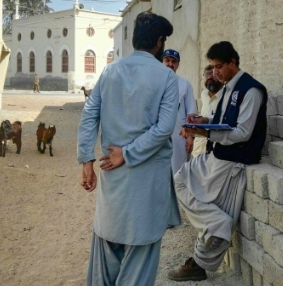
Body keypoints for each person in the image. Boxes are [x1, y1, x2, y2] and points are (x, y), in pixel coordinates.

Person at [77, 11, 181, 286]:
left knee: (107, 248)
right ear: (159, 43)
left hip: (113, 178)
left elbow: (89, 114)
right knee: (141, 254)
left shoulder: (110, 71)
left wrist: (87, 160)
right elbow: (163, 129)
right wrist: (129, 153)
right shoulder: (167, 77)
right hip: (145, 181)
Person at [167, 41, 267, 281]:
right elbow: (222, 119)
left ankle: (199, 263)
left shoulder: (250, 90)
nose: (215, 73)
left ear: (233, 62)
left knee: (199, 195)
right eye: (212, 67)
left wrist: (206, 133)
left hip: (233, 160)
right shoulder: (228, 87)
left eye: (219, 67)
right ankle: (217, 223)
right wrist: (202, 121)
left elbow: (242, 132)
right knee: (180, 178)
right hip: (217, 155)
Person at [162, 49, 197, 174]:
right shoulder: (154, 83)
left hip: (178, 138)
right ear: (162, 62)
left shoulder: (185, 84)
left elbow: (191, 113)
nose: (170, 64)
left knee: (178, 173)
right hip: (158, 137)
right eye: (167, 60)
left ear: (178, 64)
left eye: (174, 61)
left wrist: (190, 137)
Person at [191, 64, 223, 158]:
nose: (209, 77)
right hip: (198, 149)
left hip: (215, 149)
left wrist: (206, 120)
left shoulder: (226, 96)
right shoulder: (204, 95)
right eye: (207, 74)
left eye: (212, 74)